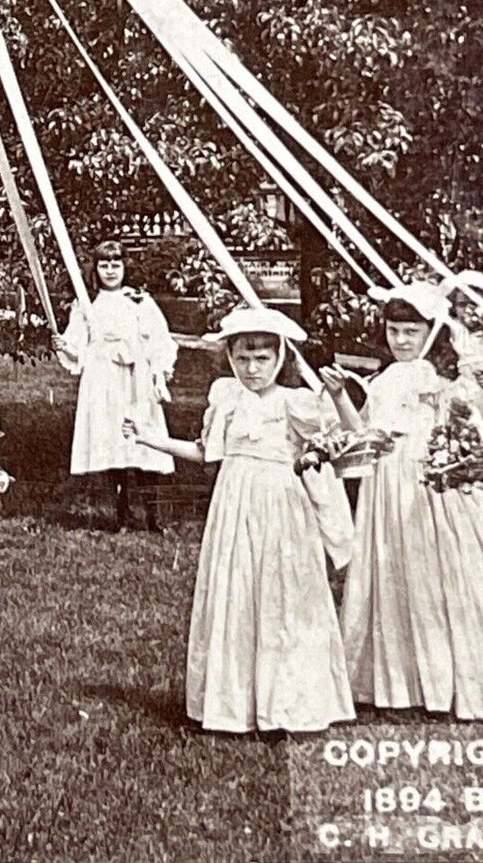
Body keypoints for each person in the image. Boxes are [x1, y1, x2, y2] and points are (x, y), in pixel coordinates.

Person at [126, 306, 360, 734]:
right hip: (233, 509)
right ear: (229, 358)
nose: (252, 369)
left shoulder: (297, 403)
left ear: (281, 358)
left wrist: (341, 397)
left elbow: (351, 441)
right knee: (236, 594)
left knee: (283, 596)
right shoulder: (226, 399)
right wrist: (148, 438)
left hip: (282, 511)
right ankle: (235, 704)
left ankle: (289, 704)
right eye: (243, 359)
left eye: (262, 359)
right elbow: (204, 452)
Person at [331, 281, 483, 719]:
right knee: (389, 571)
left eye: (410, 332)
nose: (399, 340)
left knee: (430, 574)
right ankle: (398, 681)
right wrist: (341, 394)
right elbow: (361, 432)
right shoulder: (383, 379)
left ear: (429, 334)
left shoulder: (441, 383)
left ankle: (443, 681)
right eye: (393, 330)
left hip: (423, 484)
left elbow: (462, 429)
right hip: (385, 485)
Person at [54, 239, 177, 530]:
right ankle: (121, 514)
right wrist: (65, 345)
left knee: (144, 440)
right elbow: (79, 347)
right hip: (103, 379)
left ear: (125, 267)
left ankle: (152, 516)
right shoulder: (86, 304)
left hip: (135, 378)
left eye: (116, 264)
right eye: (104, 265)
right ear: (95, 269)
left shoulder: (139, 300)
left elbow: (159, 340)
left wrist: (159, 373)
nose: (110, 271)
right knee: (113, 443)